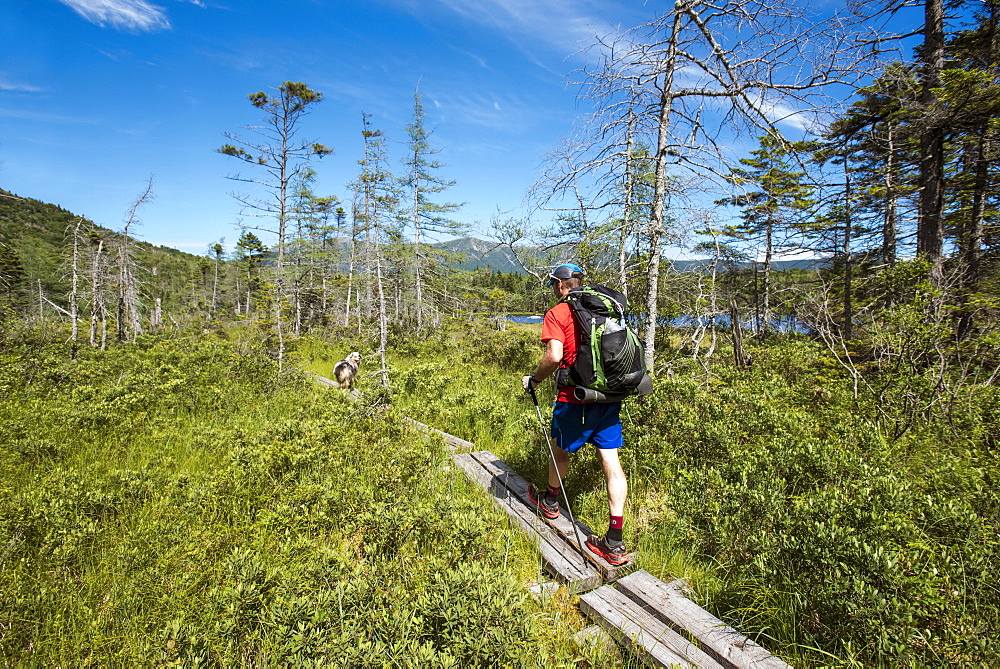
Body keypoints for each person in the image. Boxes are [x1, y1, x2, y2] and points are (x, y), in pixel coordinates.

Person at [522, 263, 629, 566]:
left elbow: (554, 356)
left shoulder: (559, 312)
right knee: (611, 461)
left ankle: (551, 501)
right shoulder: (606, 307)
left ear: (559, 284)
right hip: (609, 397)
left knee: (561, 450)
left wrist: (535, 379)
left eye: (554, 285)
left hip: (575, 397)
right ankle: (614, 541)